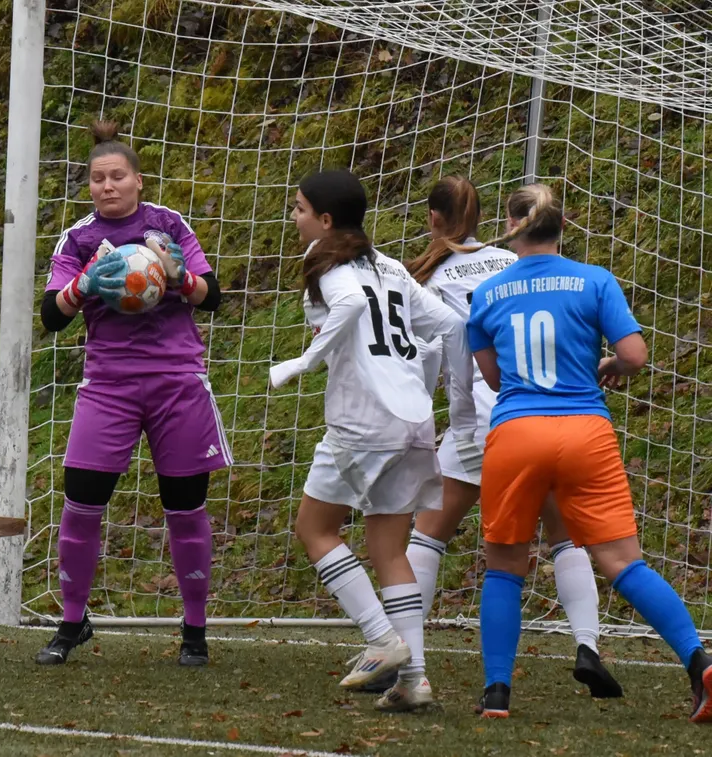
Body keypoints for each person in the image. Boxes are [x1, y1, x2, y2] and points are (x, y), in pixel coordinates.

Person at [465, 183, 712, 721]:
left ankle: (497, 695)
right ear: (562, 226)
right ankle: (700, 665)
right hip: (585, 430)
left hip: (517, 432)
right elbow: (634, 355)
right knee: (623, 562)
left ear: (511, 226)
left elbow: (491, 375)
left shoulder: (486, 293)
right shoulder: (595, 279)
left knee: (505, 567)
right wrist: (608, 368)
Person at [399, 175, 621, 698]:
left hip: (486, 417)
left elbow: (436, 364)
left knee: (429, 534)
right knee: (563, 535)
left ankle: (402, 653)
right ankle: (588, 644)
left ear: (433, 219)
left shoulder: (426, 282)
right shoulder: (514, 263)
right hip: (543, 412)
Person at [269, 169, 477, 712]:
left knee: (315, 529)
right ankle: (414, 680)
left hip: (362, 425)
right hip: (413, 423)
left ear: (326, 220)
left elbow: (351, 308)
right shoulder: (391, 268)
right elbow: (454, 327)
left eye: (298, 208)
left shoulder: (327, 268)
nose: (294, 217)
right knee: (388, 547)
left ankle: (380, 638)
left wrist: (302, 362)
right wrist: (461, 413)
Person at [37, 120, 227, 666]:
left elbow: (213, 297)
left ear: (138, 180)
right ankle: (72, 621)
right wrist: (84, 284)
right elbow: (52, 316)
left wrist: (176, 276)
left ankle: (194, 630)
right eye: (97, 179)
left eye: (117, 176)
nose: (106, 186)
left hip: (176, 382)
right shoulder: (78, 240)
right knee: (81, 499)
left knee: (185, 506)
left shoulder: (169, 225)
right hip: (110, 385)